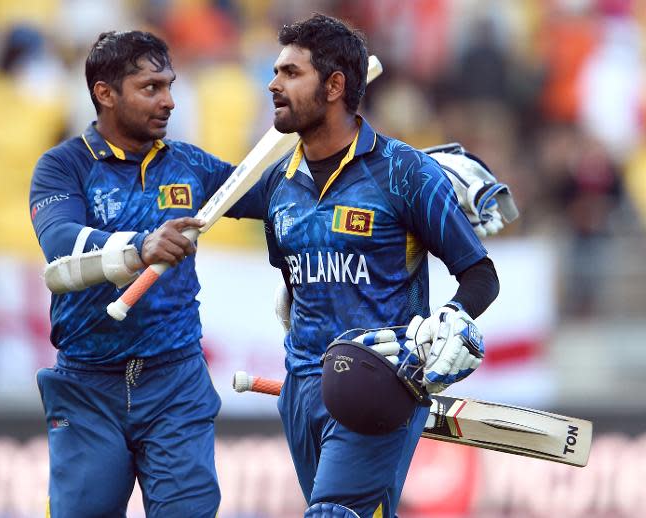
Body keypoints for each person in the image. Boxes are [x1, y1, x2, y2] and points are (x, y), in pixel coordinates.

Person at [258, 14, 501, 517]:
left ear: (335, 85)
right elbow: (294, 281)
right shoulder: (279, 184)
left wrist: (449, 319)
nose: (273, 83)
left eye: (289, 72)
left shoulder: (403, 171)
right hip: (301, 389)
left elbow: (481, 274)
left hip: (379, 382)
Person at [28, 31, 265, 517]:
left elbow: (283, 199)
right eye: (151, 87)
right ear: (105, 93)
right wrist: (140, 247)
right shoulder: (62, 166)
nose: (170, 101)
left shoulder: (190, 165)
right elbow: (58, 243)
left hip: (175, 381)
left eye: (170, 85)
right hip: (88, 385)